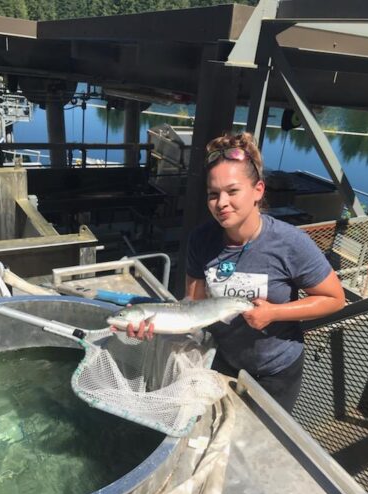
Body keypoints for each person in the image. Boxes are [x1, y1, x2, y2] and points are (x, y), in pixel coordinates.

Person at [126, 132, 345, 413]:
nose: (221, 203)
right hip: (223, 361)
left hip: (276, 372)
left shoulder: (291, 243)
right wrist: (155, 325)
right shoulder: (201, 240)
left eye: (232, 191)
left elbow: (334, 298)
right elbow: (192, 307)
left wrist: (274, 313)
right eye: (213, 194)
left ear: (258, 191)